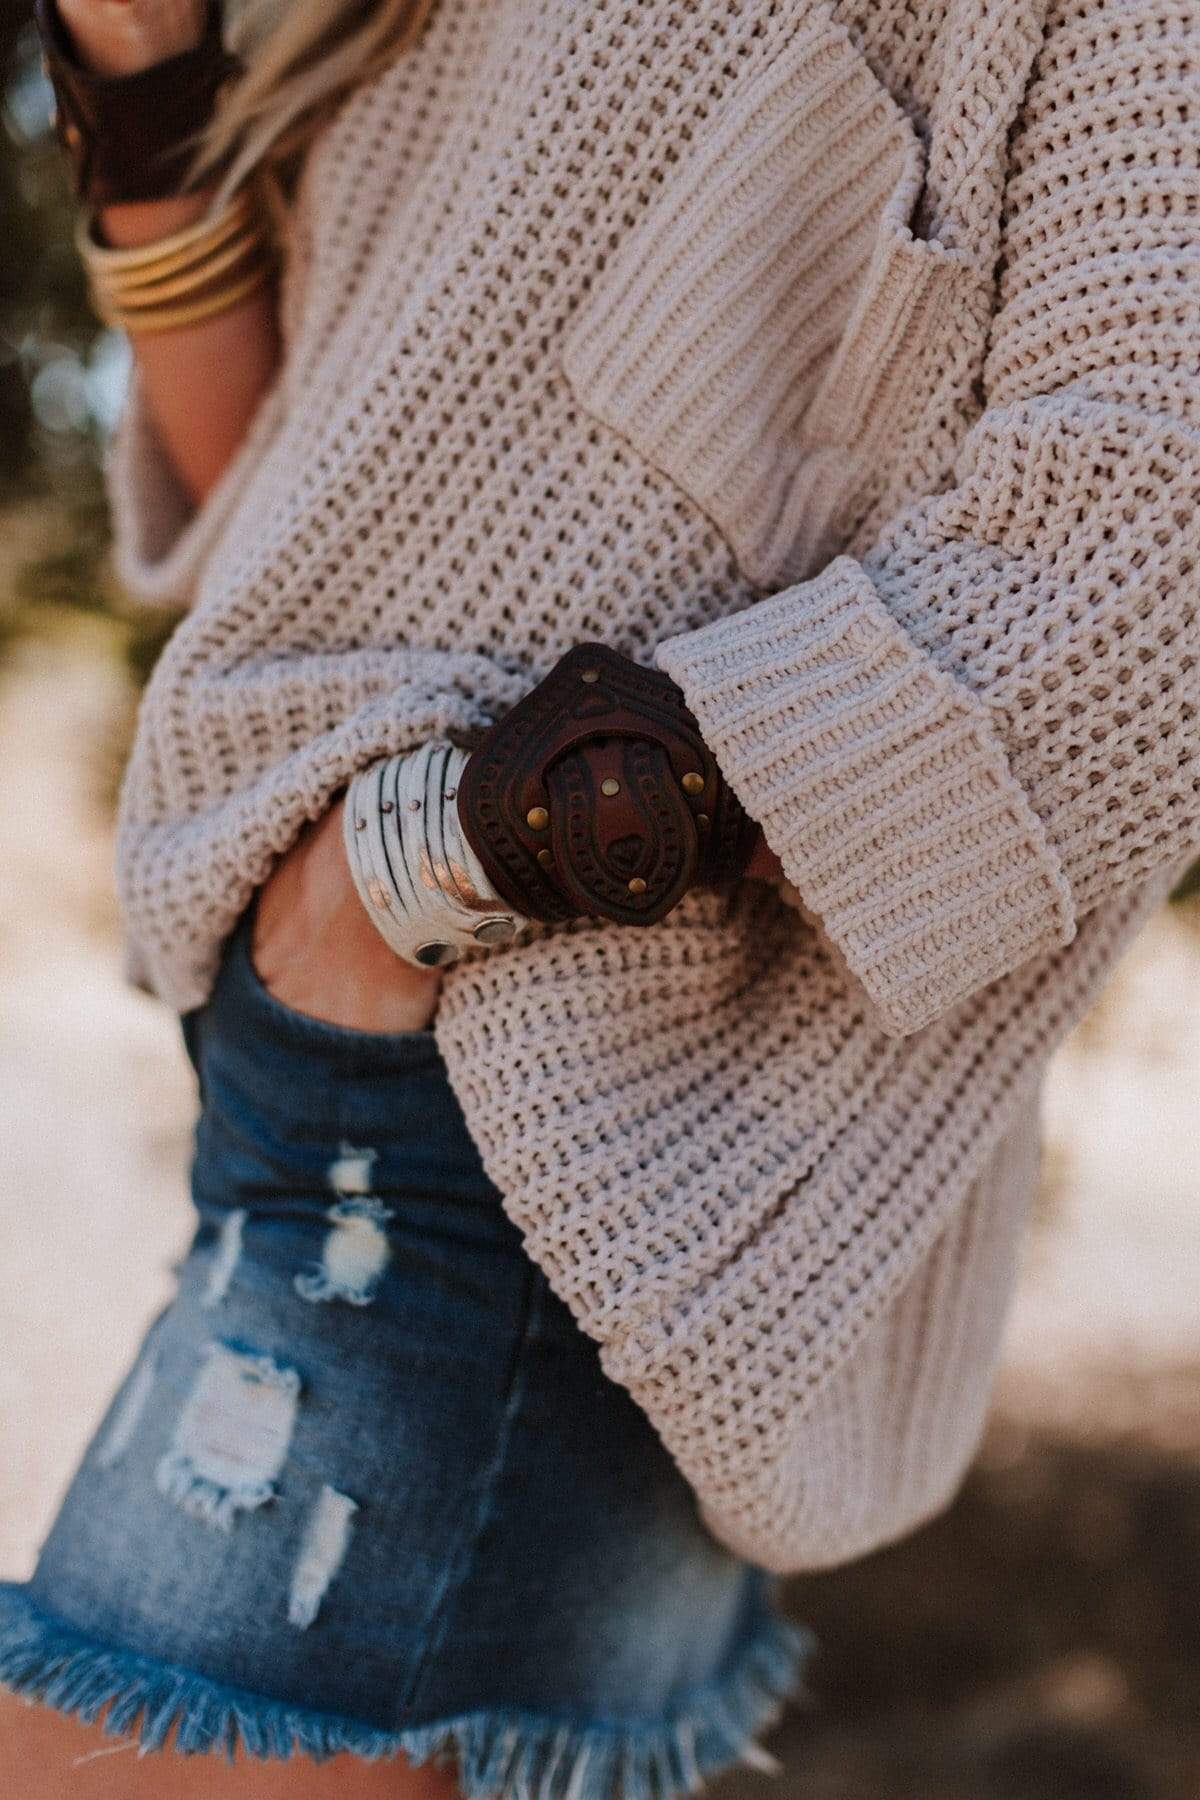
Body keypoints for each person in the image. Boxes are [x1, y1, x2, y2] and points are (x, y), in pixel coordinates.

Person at [1, 0, 1197, 1794]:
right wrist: (143, 69)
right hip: (357, 1064)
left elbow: (1143, 562)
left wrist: (413, 875)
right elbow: (278, 484)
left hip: (556, 1105)